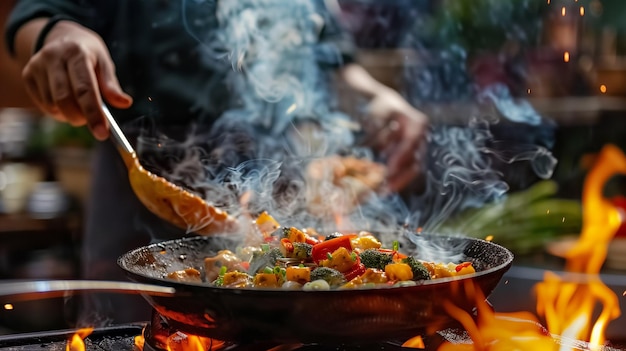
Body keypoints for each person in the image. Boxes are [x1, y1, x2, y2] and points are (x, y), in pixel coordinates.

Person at [4, 0, 429, 324]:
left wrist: (374, 99)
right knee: (133, 329)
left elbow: (329, 58)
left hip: (278, 174)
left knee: (291, 330)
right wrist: (57, 35)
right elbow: (37, 15)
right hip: (146, 177)